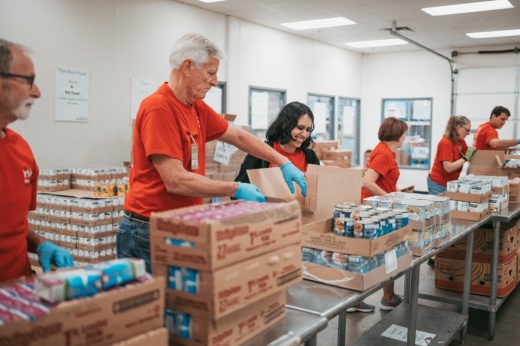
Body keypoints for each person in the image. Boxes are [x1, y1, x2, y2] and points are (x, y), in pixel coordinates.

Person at [118, 33, 307, 273]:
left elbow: (238, 136)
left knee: (181, 305)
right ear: (187, 66)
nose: (215, 81)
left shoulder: (195, 107)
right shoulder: (159, 108)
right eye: (210, 73)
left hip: (180, 223)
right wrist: (236, 189)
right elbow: (175, 181)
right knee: (160, 308)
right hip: (148, 229)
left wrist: (283, 162)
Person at [0, 38, 74, 282]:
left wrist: (41, 244)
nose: (37, 92)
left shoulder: (21, 151)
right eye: (29, 80)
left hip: (19, 300)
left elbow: (13, 229)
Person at [361, 116, 408, 311]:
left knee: (390, 250)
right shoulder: (383, 154)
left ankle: (388, 296)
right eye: (404, 134)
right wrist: (389, 198)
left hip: (382, 207)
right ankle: (383, 297)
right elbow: (367, 182)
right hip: (375, 209)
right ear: (398, 136)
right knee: (383, 251)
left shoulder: (386, 151)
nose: (405, 137)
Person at [235, 101, 320, 183]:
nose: (304, 134)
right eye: (300, 128)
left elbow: (318, 188)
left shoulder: (310, 156)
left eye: (308, 130)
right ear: (285, 125)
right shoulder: (261, 152)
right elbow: (238, 191)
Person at [427, 115, 475, 195]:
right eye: (467, 130)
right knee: (439, 207)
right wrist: (465, 158)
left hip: (450, 182)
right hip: (439, 184)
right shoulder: (446, 143)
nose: (468, 133)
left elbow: (470, 157)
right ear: (458, 127)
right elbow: (448, 168)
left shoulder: (460, 141)